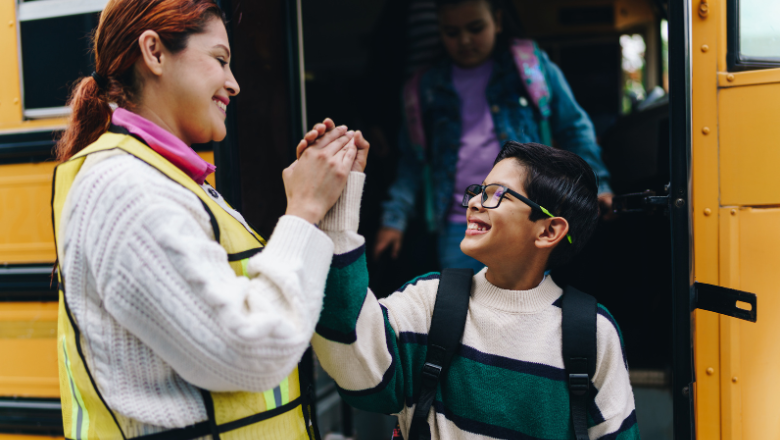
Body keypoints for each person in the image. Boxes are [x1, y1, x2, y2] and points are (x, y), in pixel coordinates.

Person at [51, 1, 367, 438]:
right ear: (155, 53)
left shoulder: (175, 184)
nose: (234, 84)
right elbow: (251, 351)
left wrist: (325, 204)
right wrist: (303, 209)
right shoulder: (127, 189)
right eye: (220, 59)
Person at [312, 142, 639, 439]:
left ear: (549, 230)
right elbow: (356, 365)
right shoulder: (429, 302)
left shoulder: (592, 334)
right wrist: (338, 211)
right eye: (478, 190)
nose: (473, 203)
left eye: (496, 194)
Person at [374, 0, 614, 273]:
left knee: (526, 307)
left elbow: (574, 129)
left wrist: (599, 186)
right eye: (451, 32)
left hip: (525, 218)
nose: (464, 40)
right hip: (459, 225)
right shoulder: (425, 87)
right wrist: (393, 220)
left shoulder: (530, 68)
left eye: (475, 28)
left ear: (498, 22)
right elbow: (413, 162)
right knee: (461, 308)